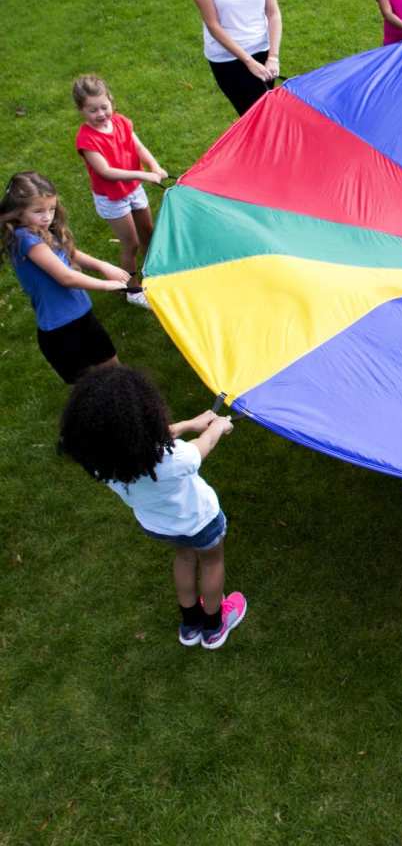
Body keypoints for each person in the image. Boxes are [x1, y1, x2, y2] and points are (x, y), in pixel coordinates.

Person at [58, 365, 246, 648]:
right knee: (211, 562)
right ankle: (214, 626)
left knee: (184, 558)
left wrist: (188, 424)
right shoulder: (173, 459)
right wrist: (217, 427)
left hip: (160, 526)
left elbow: (154, 438)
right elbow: (201, 447)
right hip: (201, 521)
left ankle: (191, 624)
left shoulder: (103, 463)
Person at [1, 171, 127, 383]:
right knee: (89, 389)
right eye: (38, 211)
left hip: (83, 316)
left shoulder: (42, 228)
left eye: (51, 208)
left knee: (116, 373)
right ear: (18, 212)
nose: (47, 216)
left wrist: (102, 265)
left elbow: (69, 252)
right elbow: (65, 277)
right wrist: (107, 285)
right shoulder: (24, 238)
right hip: (61, 331)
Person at [72, 74, 166, 306]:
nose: (101, 114)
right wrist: (143, 174)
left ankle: (154, 272)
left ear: (111, 101)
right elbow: (106, 172)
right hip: (112, 198)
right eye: (92, 110)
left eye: (104, 107)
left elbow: (139, 147)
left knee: (148, 233)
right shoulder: (87, 140)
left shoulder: (122, 122)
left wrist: (154, 165)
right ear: (81, 110)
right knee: (131, 243)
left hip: (134, 189)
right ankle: (132, 290)